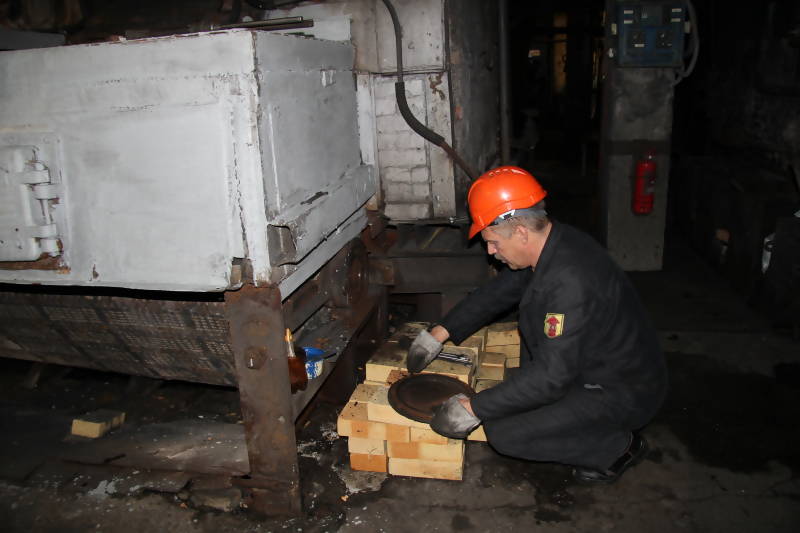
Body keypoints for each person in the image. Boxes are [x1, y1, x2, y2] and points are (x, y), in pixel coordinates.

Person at [407, 165, 668, 484]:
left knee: (505, 433)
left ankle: (618, 449)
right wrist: (439, 333)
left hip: (620, 389)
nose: (491, 252)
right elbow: (500, 291)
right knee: (508, 395)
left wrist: (472, 409)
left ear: (520, 232)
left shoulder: (572, 282)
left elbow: (551, 377)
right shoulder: (553, 244)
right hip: (591, 366)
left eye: (493, 242)